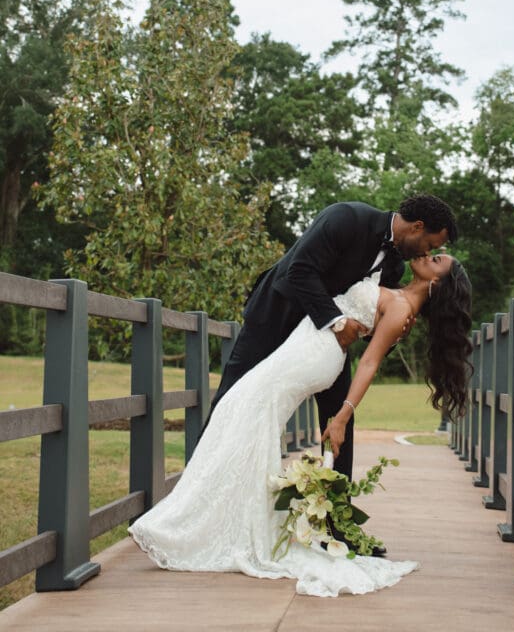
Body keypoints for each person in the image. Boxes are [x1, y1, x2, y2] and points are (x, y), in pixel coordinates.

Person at [129, 251, 472, 597]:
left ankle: (192, 523)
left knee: (246, 405)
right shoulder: (394, 290)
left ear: (437, 281)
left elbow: (368, 364)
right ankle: (213, 519)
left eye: (438, 259)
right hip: (308, 340)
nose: (429, 255)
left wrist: (341, 416)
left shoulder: (401, 311)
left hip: (317, 355)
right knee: (240, 409)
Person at [203, 195, 458, 484]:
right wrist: (337, 322)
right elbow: (300, 270)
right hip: (276, 317)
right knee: (231, 397)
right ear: (417, 227)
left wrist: (398, 332)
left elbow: (372, 321)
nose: (425, 253)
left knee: (339, 419)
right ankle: (196, 483)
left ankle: (335, 521)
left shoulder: (395, 267)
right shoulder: (346, 217)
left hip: (325, 346)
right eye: (430, 245)